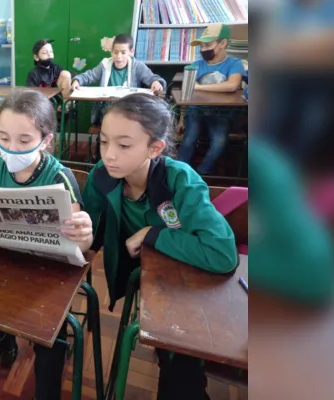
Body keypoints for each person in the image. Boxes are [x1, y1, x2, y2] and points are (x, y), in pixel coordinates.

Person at [0, 88, 93, 400]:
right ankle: (2, 334)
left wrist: (84, 235)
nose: (11, 148)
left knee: (49, 340)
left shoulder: (59, 177)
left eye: (24, 141)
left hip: (43, 279)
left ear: (46, 140)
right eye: (5, 138)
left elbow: (81, 243)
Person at [81, 93, 238, 399]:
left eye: (124, 145)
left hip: (187, 284)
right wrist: (81, 231)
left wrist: (153, 234)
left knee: (181, 373)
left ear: (155, 148)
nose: (109, 155)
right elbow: (93, 236)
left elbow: (222, 254)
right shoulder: (101, 177)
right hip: (141, 279)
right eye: (103, 142)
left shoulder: (181, 181)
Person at [177, 24, 245, 174]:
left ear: (222, 43)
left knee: (219, 141)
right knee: (189, 139)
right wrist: (181, 119)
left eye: (207, 45)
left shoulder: (234, 64)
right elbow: (186, 93)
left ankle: (202, 173)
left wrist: (199, 87)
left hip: (222, 114)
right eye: (201, 46)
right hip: (195, 111)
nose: (203, 50)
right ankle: (180, 172)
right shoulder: (195, 65)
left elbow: (232, 85)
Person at [71, 34, 166, 127]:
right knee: (112, 119)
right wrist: (77, 80)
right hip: (107, 110)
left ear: (131, 51)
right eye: (115, 52)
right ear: (111, 52)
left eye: (123, 52)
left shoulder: (137, 66)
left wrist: (156, 82)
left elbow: (152, 78)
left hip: (129, 109)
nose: (119, 57)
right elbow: (89, 75)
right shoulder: (105, 65)